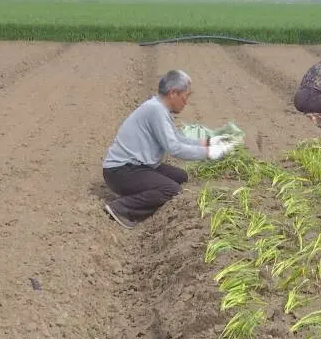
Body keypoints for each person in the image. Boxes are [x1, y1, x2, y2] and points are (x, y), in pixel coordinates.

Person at [102, 69, 238, 229]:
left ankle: (138, 194)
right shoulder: (156, 110)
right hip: (121, 171)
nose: (186, 101)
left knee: (180, 176)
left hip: (137, 166)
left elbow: (179, 139)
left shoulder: (159, 108)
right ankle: (121, 208)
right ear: (173, 93)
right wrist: (210, 153)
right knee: (171, 190)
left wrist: (210, 142)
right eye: (185, 96)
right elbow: (174, 148)